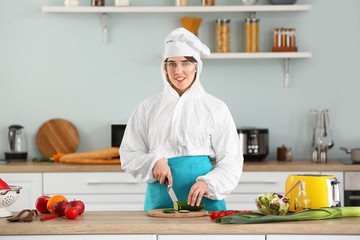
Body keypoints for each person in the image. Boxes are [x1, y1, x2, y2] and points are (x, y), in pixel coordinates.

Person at [120, 27, 243, 211]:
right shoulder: (148, 107)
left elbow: (231, 160)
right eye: (172, 63)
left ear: (197, 66)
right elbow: (129, 154)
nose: (178, 71)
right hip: (160, 201)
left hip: (206, 199)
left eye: (186, 63)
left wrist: (208, 183)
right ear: (164, 67)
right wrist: (153, 162)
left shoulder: (216, 108)